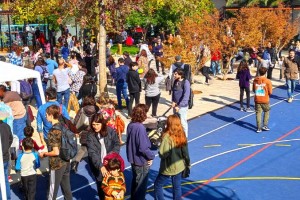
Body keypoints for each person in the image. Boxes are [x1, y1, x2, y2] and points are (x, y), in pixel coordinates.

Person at [39, 105, 73, 200]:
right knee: (67, 189)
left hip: (56, 163)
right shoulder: (63, 125)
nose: (45, 116)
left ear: (51, 115)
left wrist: (44, 154)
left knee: (52, 191)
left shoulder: (53, 131)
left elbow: (55, 152)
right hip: (66, 160)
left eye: (46, 115)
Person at [154, 114, 190, 200]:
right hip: (179, 166)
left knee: (158, 185)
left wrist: (160, 143)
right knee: (177, 187)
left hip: (168, 167)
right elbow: (186, 153)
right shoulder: (182, 134)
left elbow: (163, 154)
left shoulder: (167, 137)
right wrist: (188, 165)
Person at [86, 113, 120, 199]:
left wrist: (112, 157)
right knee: (102, 187)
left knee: (113, 187)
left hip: (111, 165)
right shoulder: (90, 135)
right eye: (93, 124)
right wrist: (100, 166)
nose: (95, 127)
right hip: (99, 167)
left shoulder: (111, 131)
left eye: (97, 124)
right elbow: (92, 153)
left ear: (102, 123)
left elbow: (116, 144)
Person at [126, 104, 155, 200]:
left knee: (135, 182)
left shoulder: (130, 125)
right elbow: (143, 148)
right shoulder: (140, 128)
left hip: (133, 159)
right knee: (141, 187)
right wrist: (151, 156)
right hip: (141, 161)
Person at [71, 96, 99, 173]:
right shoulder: (96, 109)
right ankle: (95, 164)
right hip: (94, 131)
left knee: (83, 148)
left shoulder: (82, 110)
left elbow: (75, 121)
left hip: (84, 132)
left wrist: (76, 131)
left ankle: (75, 163)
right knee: (94, 148)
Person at [253, 67, 272, 133]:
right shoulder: (268, 81)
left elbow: (253, 89)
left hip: (257, 99)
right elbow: (270, 92)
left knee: (258, 113)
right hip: (265, 99)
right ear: (265, 73)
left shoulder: (255, 80)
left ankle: (258, 128)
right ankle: (265, 125)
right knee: (267, 111)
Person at [171, 68, 190, 137]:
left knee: (182, 122)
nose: (174, 75)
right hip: (175, 105)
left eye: (175, 74)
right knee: (176, 122)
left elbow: (186, 96)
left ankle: (185, 136)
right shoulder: (175, 81)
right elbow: (174, 92)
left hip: (182, 107)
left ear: (180, 74)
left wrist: (179, 106)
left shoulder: (186, 82)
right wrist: (173, 101)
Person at [0, 109, 13, 200]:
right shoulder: (6, 126)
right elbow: (10, 139)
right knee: (5, 180)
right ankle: (7, 197)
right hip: (5, 157)